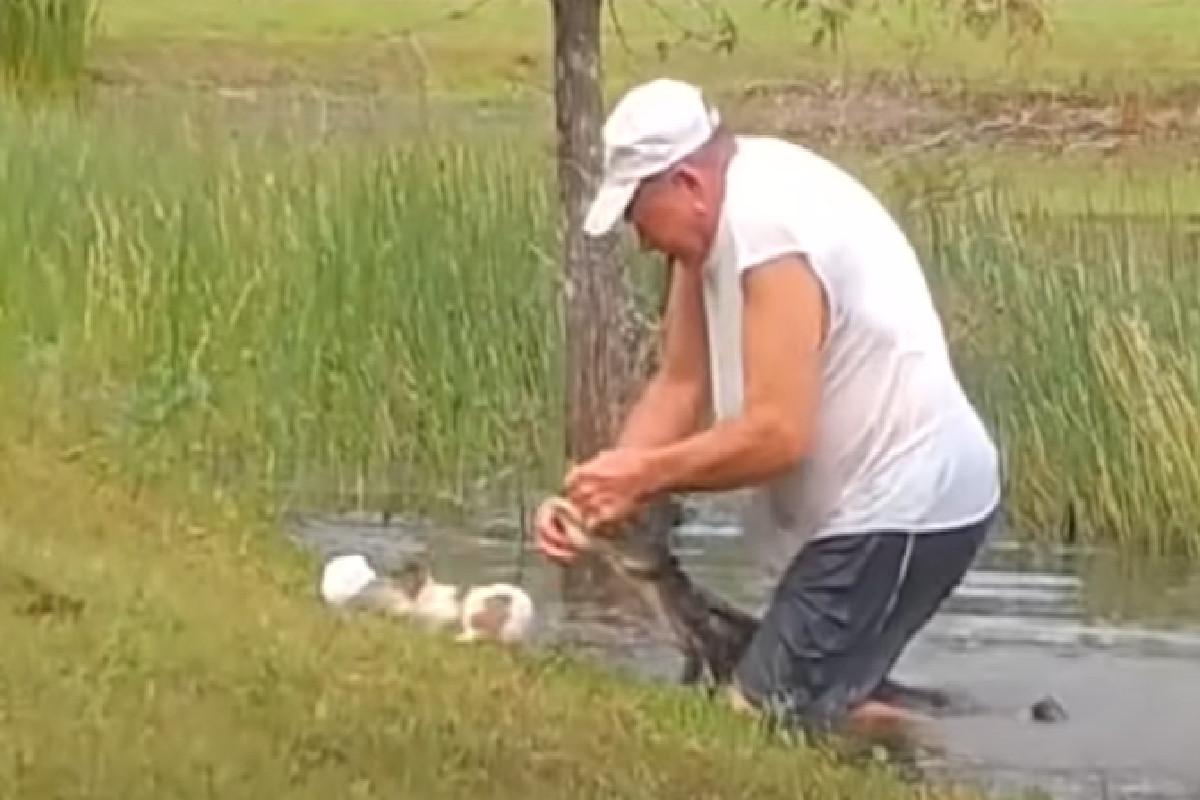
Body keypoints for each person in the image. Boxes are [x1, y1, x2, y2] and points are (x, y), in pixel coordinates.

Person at [534, 78, 1001, 742]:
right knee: (825, 698)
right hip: (862, 511)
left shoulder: (769, 230)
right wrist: (595, 496)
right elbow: (680, 384)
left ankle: (957, 756)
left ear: (686, 184)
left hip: (906, 505)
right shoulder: (711, 229)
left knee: (754, 723)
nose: (641, 239)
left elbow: (779, 435)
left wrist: (644, 476)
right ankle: (942, 747)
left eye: (638, 213)